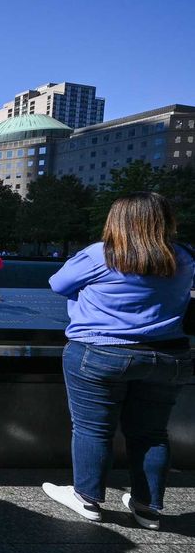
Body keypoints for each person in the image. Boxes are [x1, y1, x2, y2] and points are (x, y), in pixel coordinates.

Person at [43, 192, 193, 530]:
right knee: (153, 433)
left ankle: (88, 499)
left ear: (116, 220)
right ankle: (148, 508)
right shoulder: (184, 257)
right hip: (169, 355)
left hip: (100, 354)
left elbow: (57, 284)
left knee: (93, 428)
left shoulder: (100, 255)